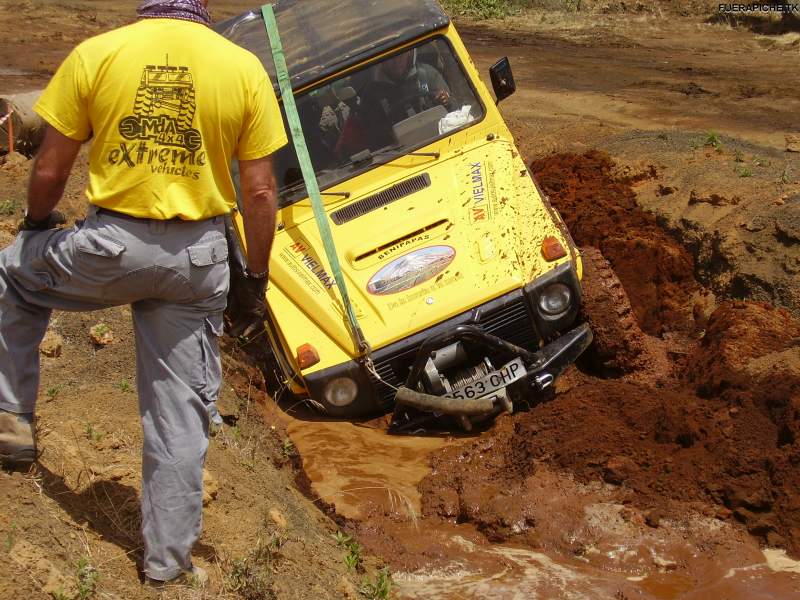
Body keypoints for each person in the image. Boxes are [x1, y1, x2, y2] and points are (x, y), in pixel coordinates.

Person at [0, 0, 287, 587]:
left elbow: (52, 170)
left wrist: (34, 225)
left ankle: (10, 419)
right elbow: (259, 194)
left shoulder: (98, 54)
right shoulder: (242, 68)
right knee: (178, 416)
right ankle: (166, 567)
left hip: (110, 247)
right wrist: (252, 280)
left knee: (11, 274)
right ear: (200, 9)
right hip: (198, 261)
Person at [336, 48, 451, 159]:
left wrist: (444, 100)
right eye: (390, 58)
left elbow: (455, 112)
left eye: (400, 55)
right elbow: (373, 138)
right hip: (399, 156)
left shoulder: (427, 75)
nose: (396, 62)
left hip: (441, 142)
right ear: (381, 61)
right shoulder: (372, 95)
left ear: (409, 53)